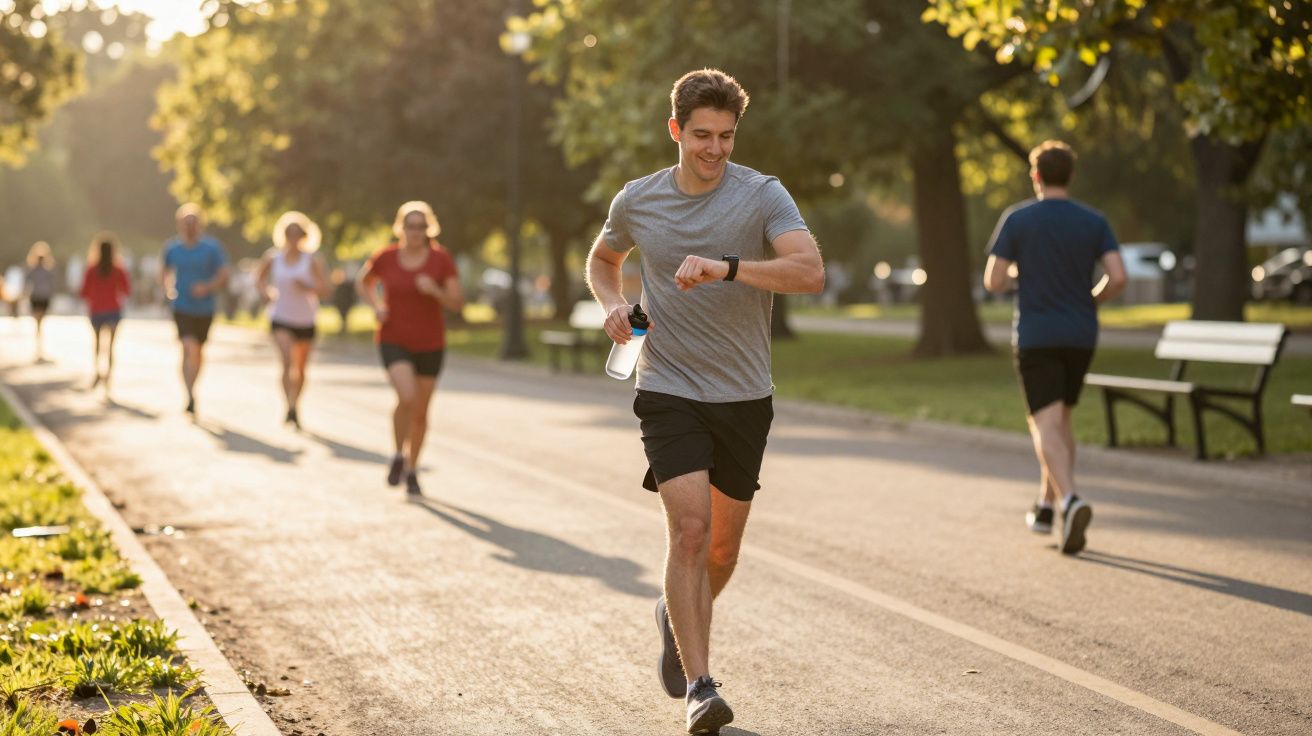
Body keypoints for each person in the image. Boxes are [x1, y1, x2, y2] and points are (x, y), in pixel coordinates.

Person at [586, 69, 823, 735]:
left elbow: (809, 271)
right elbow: (603, 260)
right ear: (675, 131)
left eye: (725, 136)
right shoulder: (638, 200)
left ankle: (675, 616)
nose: (715, 148)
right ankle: (701, 685)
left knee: (720, 550)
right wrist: (612, 305)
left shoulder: (761, 196)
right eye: (701, 136)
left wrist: (730, 265)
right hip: (667, 385)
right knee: (688, 532)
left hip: (745, 393)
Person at [983, 140, 1127, 556]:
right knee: (1061, 420)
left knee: (1044, 424)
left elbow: (993, 280)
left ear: (1036, 176)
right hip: (1082, 333)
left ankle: (1070, 500)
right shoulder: (1093, 220)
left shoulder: (1019, 219)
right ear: (1071, 176)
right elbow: (1117, 277)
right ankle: (1046, 505)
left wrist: (1018, 275)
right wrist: (1090, 300)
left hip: (1037, 333)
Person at [356, 201, 464, 496]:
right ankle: (396, 454)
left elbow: (457, 301)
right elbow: (363, 282)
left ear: (428, 228)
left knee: (421, 411)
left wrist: (436, 291)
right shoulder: (386, 257)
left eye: (421, 226)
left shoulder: (440, 260)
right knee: (407, 396)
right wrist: (377, 306)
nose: (415, 232)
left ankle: (413, 469)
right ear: (400, 227)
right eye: (410, 225)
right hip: (393, 337)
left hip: (430, 342)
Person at [255, 211, 329, 429]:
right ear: (283, 234)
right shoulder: (273, 258)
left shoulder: (312, 260)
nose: (293, 236)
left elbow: (325, 289)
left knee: (301, 368)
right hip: (281, 316)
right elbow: (259, 279)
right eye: (289, 232)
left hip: (305, 318)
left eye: (298, 233)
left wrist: (308, 287)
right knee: (287, 362)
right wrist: (267, 292)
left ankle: (296, 403)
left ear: (305, 235)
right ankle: (288, 404)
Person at [161, 203, 231, 417]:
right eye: (186, 222)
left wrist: (207, 287)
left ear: (200, 224)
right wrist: (168, 291)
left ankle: (193, 386)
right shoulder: (172, 248)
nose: (190, 226)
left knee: (198, 352)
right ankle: (189, 394)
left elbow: (224, 274)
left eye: (194, 222)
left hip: (205, 307)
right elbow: (164, 272)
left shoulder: (212, 248)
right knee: (187, 347)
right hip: (181, 306)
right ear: (180, 224)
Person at [79, 232, 132, 393]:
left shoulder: (92, 269)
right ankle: (108, 375)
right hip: (113, 310)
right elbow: (126, 290)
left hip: (96, 310)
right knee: (110, 346)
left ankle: (97, 371)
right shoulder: (118, 269)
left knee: (97, 344)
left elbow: (83, 292)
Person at [24, 241, 56, 362]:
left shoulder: (46, 270)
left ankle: (39, 347)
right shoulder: (36, 270)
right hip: (39, 298)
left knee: (39, 323)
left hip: (40, 298)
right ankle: (39, 348)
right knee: (39, 323)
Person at [330, 267, 357, 335]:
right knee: (342, 315)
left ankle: (344, 328)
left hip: (346, 302)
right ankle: (343, 328)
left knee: (344, 315)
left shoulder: (346, 285)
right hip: (340, 303)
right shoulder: (336, 285)